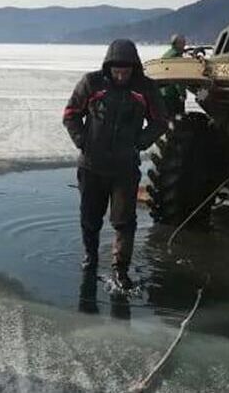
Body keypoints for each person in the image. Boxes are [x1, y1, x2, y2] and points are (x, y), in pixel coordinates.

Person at [62, 39, 167, 292]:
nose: (120, 75)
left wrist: (140, 142)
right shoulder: (92, 83)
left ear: (134, 68)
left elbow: (160, 121)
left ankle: (120, 269)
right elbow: (70, 115)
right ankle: (91, 256)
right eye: (116, 70)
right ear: (108, 66)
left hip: (124, 168)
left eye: (126, 71)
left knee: (124, 221)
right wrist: (82, 141)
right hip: (91, 165)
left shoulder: (145, 89)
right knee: (90, 217)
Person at [160, 34, 187, 117]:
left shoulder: (167, 55)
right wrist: (182, 94)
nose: (185, 45)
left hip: (163, 92)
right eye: (183, 43)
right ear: (177, 44)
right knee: (178, 118)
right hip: (173, 94)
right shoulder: (176, 57)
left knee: (167, 118)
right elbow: (178, 77)